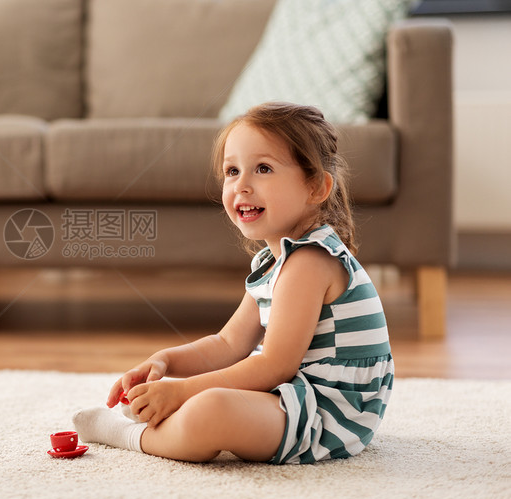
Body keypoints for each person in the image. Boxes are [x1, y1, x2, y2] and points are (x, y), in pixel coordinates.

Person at [73, 102, 394, 464]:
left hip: (329, 416)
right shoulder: (276, 261)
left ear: (316, 187)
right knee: (209, 399)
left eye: (263, 169)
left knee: (209, 410)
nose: (241, 185)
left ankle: (127, 433)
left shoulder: (310, 262)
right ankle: (171, 421)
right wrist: (164, 361)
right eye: (232, 171)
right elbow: (227, 343)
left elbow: (275, 366)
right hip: (296, 397)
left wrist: (181, 393)